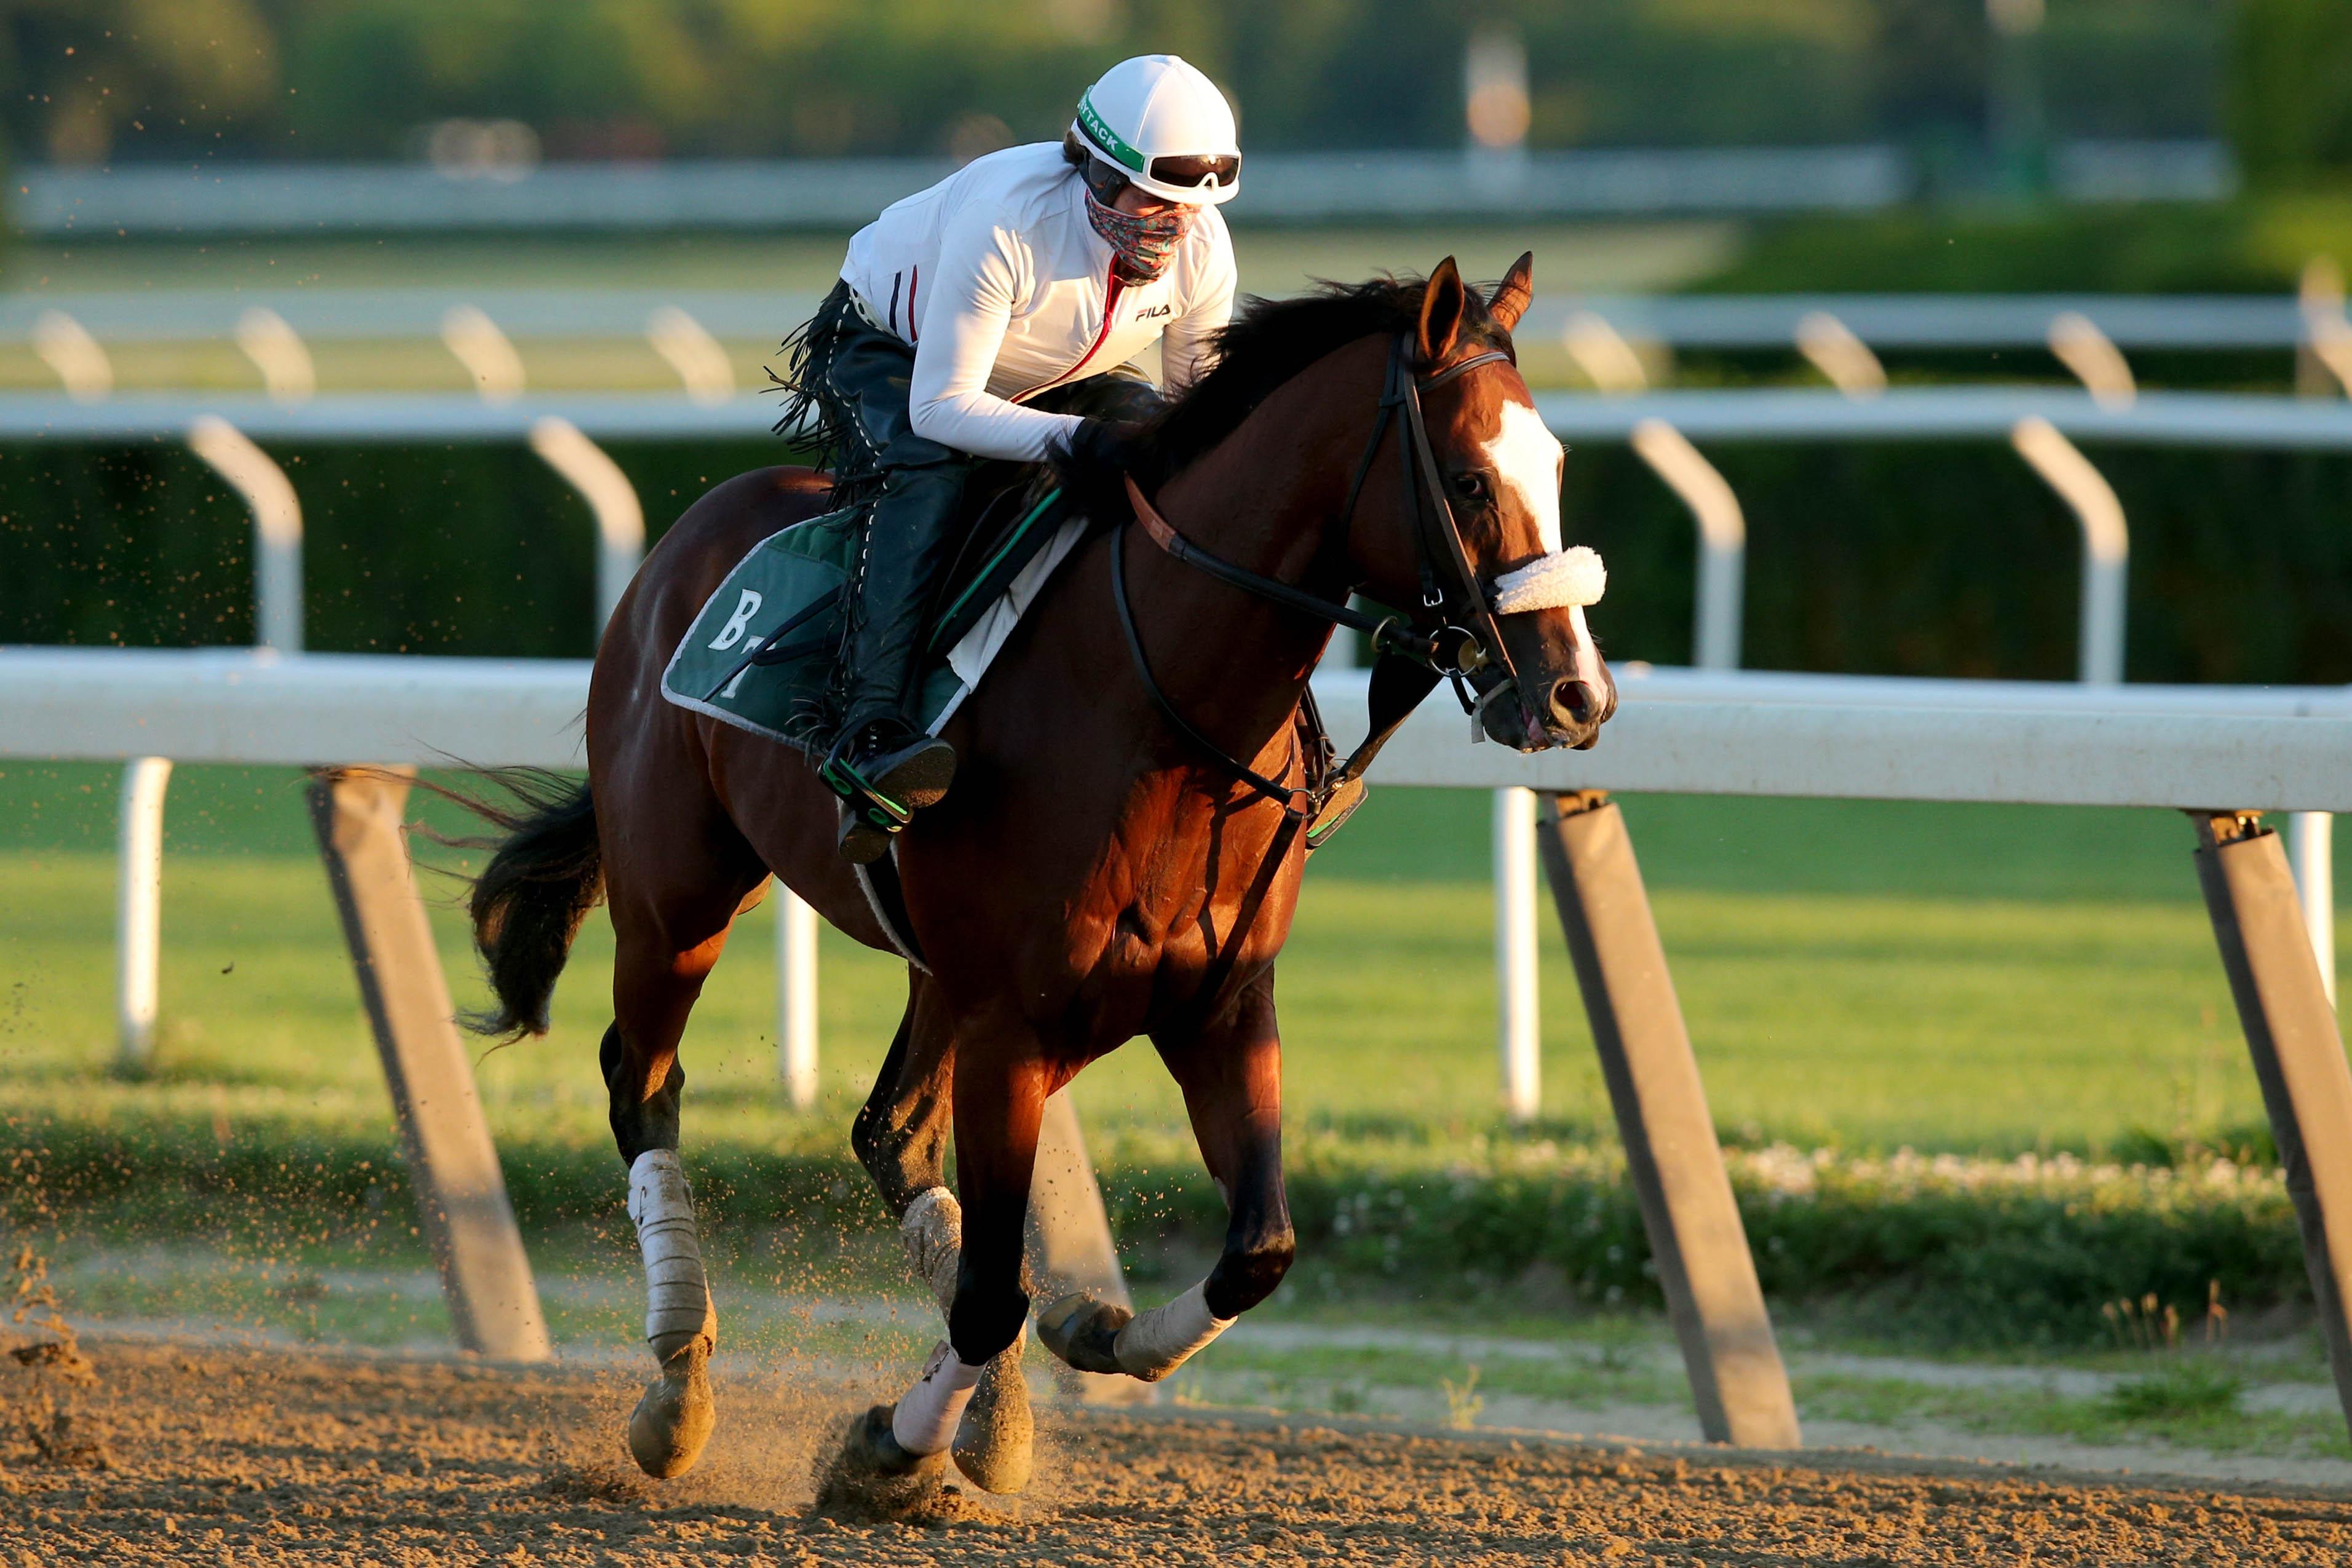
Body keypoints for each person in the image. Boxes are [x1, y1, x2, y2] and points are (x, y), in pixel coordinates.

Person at [780, 53, 1241, 862]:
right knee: (926, 471)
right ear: (1092, 174)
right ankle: (866, 732)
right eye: (1147, 198)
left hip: (1051, 375)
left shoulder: (1204, 248)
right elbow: (940, 407)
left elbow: (1193, 424)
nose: (1166, 225)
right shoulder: (1008, 220)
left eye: (1183, 206)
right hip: (890, 354)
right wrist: (1077, 441)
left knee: (1157, 450)